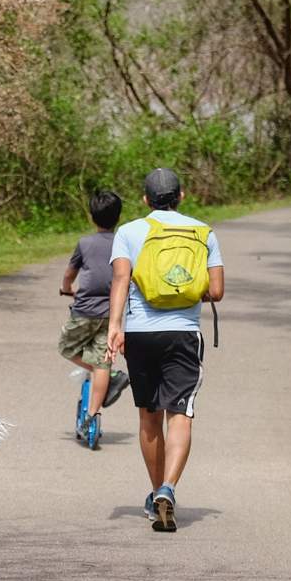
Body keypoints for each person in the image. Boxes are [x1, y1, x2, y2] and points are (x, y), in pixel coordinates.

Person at [105, 168, 224, 533]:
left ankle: (156, 490)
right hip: (184, 334)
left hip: (140, 333)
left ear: (145, 199)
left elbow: (121, 279)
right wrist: (187, 290)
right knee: (181, 413)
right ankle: (169, 488)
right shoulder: (204, 232)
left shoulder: (128, 232)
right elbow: (216, 291)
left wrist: (115, 325)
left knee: (149, 415)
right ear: (181, 196)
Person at [58, 190, 131, 435]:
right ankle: (91, 416)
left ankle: (109, 373)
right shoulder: (125, 243)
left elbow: (70, 274)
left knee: (67, 347)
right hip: (112, 315)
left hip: (84, 311)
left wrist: (66, 288)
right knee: (102, 362)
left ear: (92, 217)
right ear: (118, 217)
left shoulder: (85, 243)